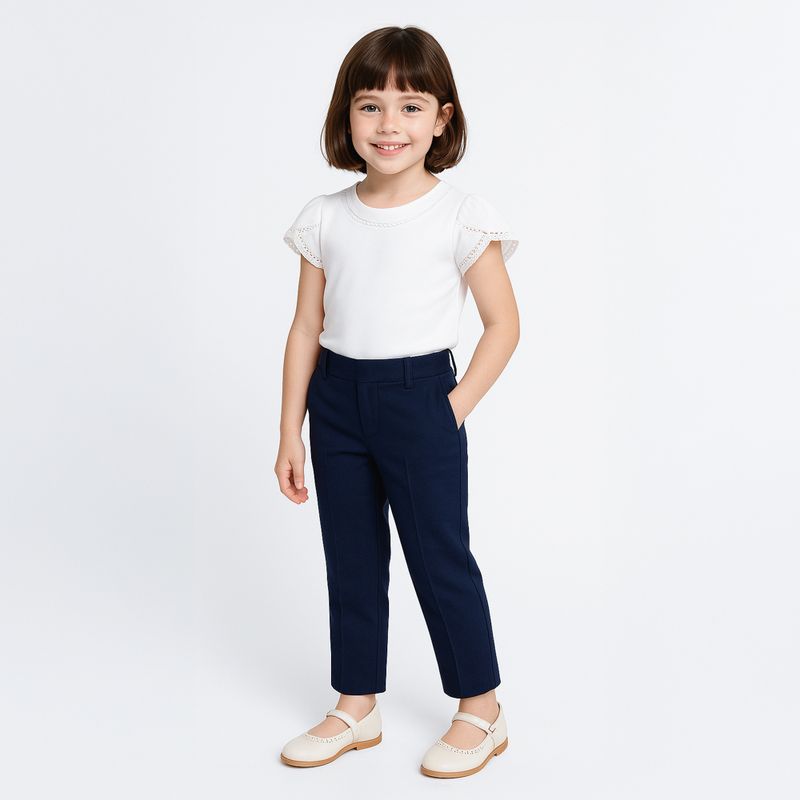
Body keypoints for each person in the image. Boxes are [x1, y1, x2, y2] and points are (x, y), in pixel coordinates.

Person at [275, 25, 520, 779]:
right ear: (346, 115)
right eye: (370, 105)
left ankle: (481, 708)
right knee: (350, 557)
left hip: (422, 399)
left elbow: (503, 325)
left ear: (442, 119)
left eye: (411, 107)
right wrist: (290, 432)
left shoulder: (460, 214)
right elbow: (306, 326)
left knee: (439, 557)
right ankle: (357, 703)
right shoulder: (325, 216)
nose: (389, 125)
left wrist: (451, 408)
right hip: (337, 402)